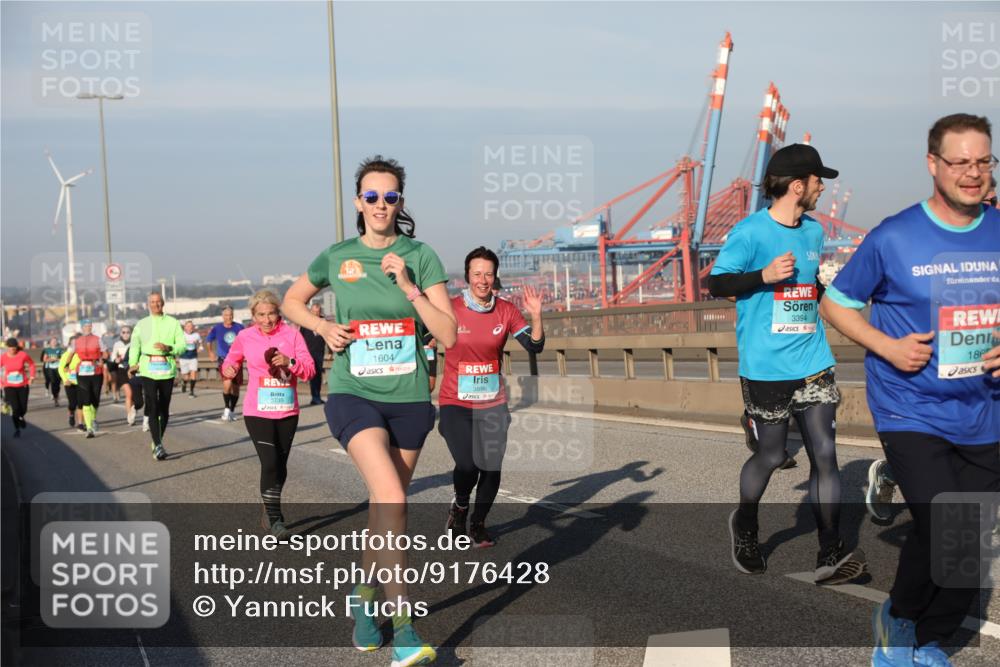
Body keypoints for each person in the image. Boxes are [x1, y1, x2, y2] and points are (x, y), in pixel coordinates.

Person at [819, 113, 1000, 667]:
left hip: (986, 410)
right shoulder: (894, 236)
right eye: (960, 162)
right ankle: (899, 622)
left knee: (966, 534)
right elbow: (836, 304)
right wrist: (887, 347)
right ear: (932, 164)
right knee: (946, 522)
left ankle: (932, 638)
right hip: (910, 407)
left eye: (983, 161)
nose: (973, 173)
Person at [282, 155, 456, 665]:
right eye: (372, 196)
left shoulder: (419, 255)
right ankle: (404, 630)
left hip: (409, 400)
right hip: (353, 393)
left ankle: (362, 604)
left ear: (401, 203)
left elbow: (448, 334)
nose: (382, 205)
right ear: (358, 202)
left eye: (391, 197)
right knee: (390, 496)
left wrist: (409, 288)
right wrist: (321, 327)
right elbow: (293, 301)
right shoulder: (338, 257)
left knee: (387, 509)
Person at [708, 143, 865, 584]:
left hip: (813, 360)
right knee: (773, 455)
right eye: (817, 181)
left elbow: (812, 287)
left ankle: (830, 550)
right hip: (765, 367)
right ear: (798, 185)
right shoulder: (750, 232)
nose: (821, 188)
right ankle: (745, 525)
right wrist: (763, 276)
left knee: (825, 455)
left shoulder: (813, 232)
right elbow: (717, 283)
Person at [438, 247, 545, 547]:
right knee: (468, 465)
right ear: (467, 276)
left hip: (492, 402)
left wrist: (536, 316)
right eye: (477, 274)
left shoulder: (506, 311)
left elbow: (534, 346)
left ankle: (478, 524)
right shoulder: (450, 308)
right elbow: (420, 336)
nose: (482, 280)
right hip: (456, 401)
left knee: (491, 466)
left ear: (494, 276)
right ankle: (460, 507)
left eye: (488, 274)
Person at [222, 290, 314, 537]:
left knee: (280, 466)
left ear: (278, 313)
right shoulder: (245, 336)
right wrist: (229, 369)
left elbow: (310, 370)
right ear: (253, 315)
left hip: (287, 410)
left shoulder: (292, 335)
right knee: (270, 462)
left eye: (271, 313)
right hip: (257, 410)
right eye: (261, 315)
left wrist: (289, 362)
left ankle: (269, 506)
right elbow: (230, 361)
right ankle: (275, 520)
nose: (266, 320)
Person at [129, 291, 186, 461]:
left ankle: (157, 441)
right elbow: (135, 345)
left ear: (163, 303)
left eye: (158, 301)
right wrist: (133, 363)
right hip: (148, 369)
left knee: (164, 409)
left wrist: (169, 348)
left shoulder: (173, 323)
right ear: (149, 304)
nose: (155, 304)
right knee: (152, 405)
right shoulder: (142, 324)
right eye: (152, 302)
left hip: (167, 368)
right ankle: (158, 445)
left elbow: (182, 345)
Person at [207, 305, 245, 421]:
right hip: (224, 359)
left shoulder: (239, 327)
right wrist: (210, 352)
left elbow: (247, 340)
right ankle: (226, 408)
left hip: (237, 360)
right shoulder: (217, 328)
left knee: (236, 388)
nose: (229, 317)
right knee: (227, 384)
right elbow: (208, 340)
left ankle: (232, 410)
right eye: (226, 315)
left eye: (231, 315)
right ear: (223, 316)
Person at [74, 319, 108, 438]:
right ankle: (89, 428)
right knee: (86, 399)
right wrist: (66, 365)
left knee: (95, 398)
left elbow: (105, 353)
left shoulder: (98, 339)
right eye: (86, 326)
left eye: (90, 326)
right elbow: (70, 353)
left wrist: (102, 360)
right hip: (82, 371)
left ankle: (93, 419)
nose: (88, 327)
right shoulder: (77, 341)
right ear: (82, 328)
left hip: (96, 371)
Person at [2, 337, 36, 437]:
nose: (13, 349)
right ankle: (17, 429)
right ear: (7, 347)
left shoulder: (22, 355)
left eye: (14, 347)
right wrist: (1, 382)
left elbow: (31, 364)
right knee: (15, 408)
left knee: (23, 408)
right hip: (9, 386)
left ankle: (21, 417)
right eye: (10, 347)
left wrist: (32, 377)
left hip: (22, 385)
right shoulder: (3, 357)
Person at [299, 302, 329, 405]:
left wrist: (330, 351)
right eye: (314, 311)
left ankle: (317, 397)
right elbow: (300, 339)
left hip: (319, 352)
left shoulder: (324, 322)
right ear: (311, 311)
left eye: (318, 311)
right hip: (308, 353)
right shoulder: (305, 322)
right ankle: (315, 397)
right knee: (312, 375)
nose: (316, 313)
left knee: (318, 375)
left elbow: (328, 337)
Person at [110, 326, 138, 425]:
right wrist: (116, 359)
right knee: (129, 393)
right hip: (122, 370)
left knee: (134, 395)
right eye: (123, 332)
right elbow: (113, 356)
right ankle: (130, 416)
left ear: (131, 333)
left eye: (128, 332)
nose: (126, 334)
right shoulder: (117, 344)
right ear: (121, 334)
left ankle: (133, 411)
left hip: (133, 370)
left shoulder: (134, 343)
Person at [57, 335, 84, 430]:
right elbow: (61, 369)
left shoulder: (82, 354)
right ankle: (71, 414)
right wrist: (65, 380)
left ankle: (80, 423)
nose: (75, 344)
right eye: (73, 343)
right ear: (69, 344)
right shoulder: (65, 355)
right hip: (70, 382)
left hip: (81, 382)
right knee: (72, 403)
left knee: (81, 403)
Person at [179, 320, 202, 397]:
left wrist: (200, 348)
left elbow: (201, 343)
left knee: (193, 374)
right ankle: (184, 383)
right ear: (185, 327)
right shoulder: (181, 335)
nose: (190, 328)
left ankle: (191, 392)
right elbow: (176, 344)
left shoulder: (196, 335)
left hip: (193, 357)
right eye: (188, 326)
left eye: (191, 326)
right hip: (183, 357)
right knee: (186, 376)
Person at [41, 337, 64, 406]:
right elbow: (44, 359)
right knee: (53, 382)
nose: (54, 342)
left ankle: (57, 394)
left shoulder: (60, 349)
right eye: (52, 341)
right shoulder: (47, 350)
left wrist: (57, 359)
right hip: (50, 368)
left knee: (58, 383)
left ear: (57, 342)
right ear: (50, 342)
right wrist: (50, 360)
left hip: (58, 368)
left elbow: (63, 358)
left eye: (55, 341)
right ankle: (55, 399)